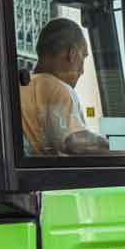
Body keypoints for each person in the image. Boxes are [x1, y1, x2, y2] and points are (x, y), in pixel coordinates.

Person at [21, 18, 107, 155]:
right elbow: (75, 142)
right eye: (83, 58)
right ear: (72, 53)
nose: (82, 70)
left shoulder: (22, 86)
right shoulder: (56, 87)